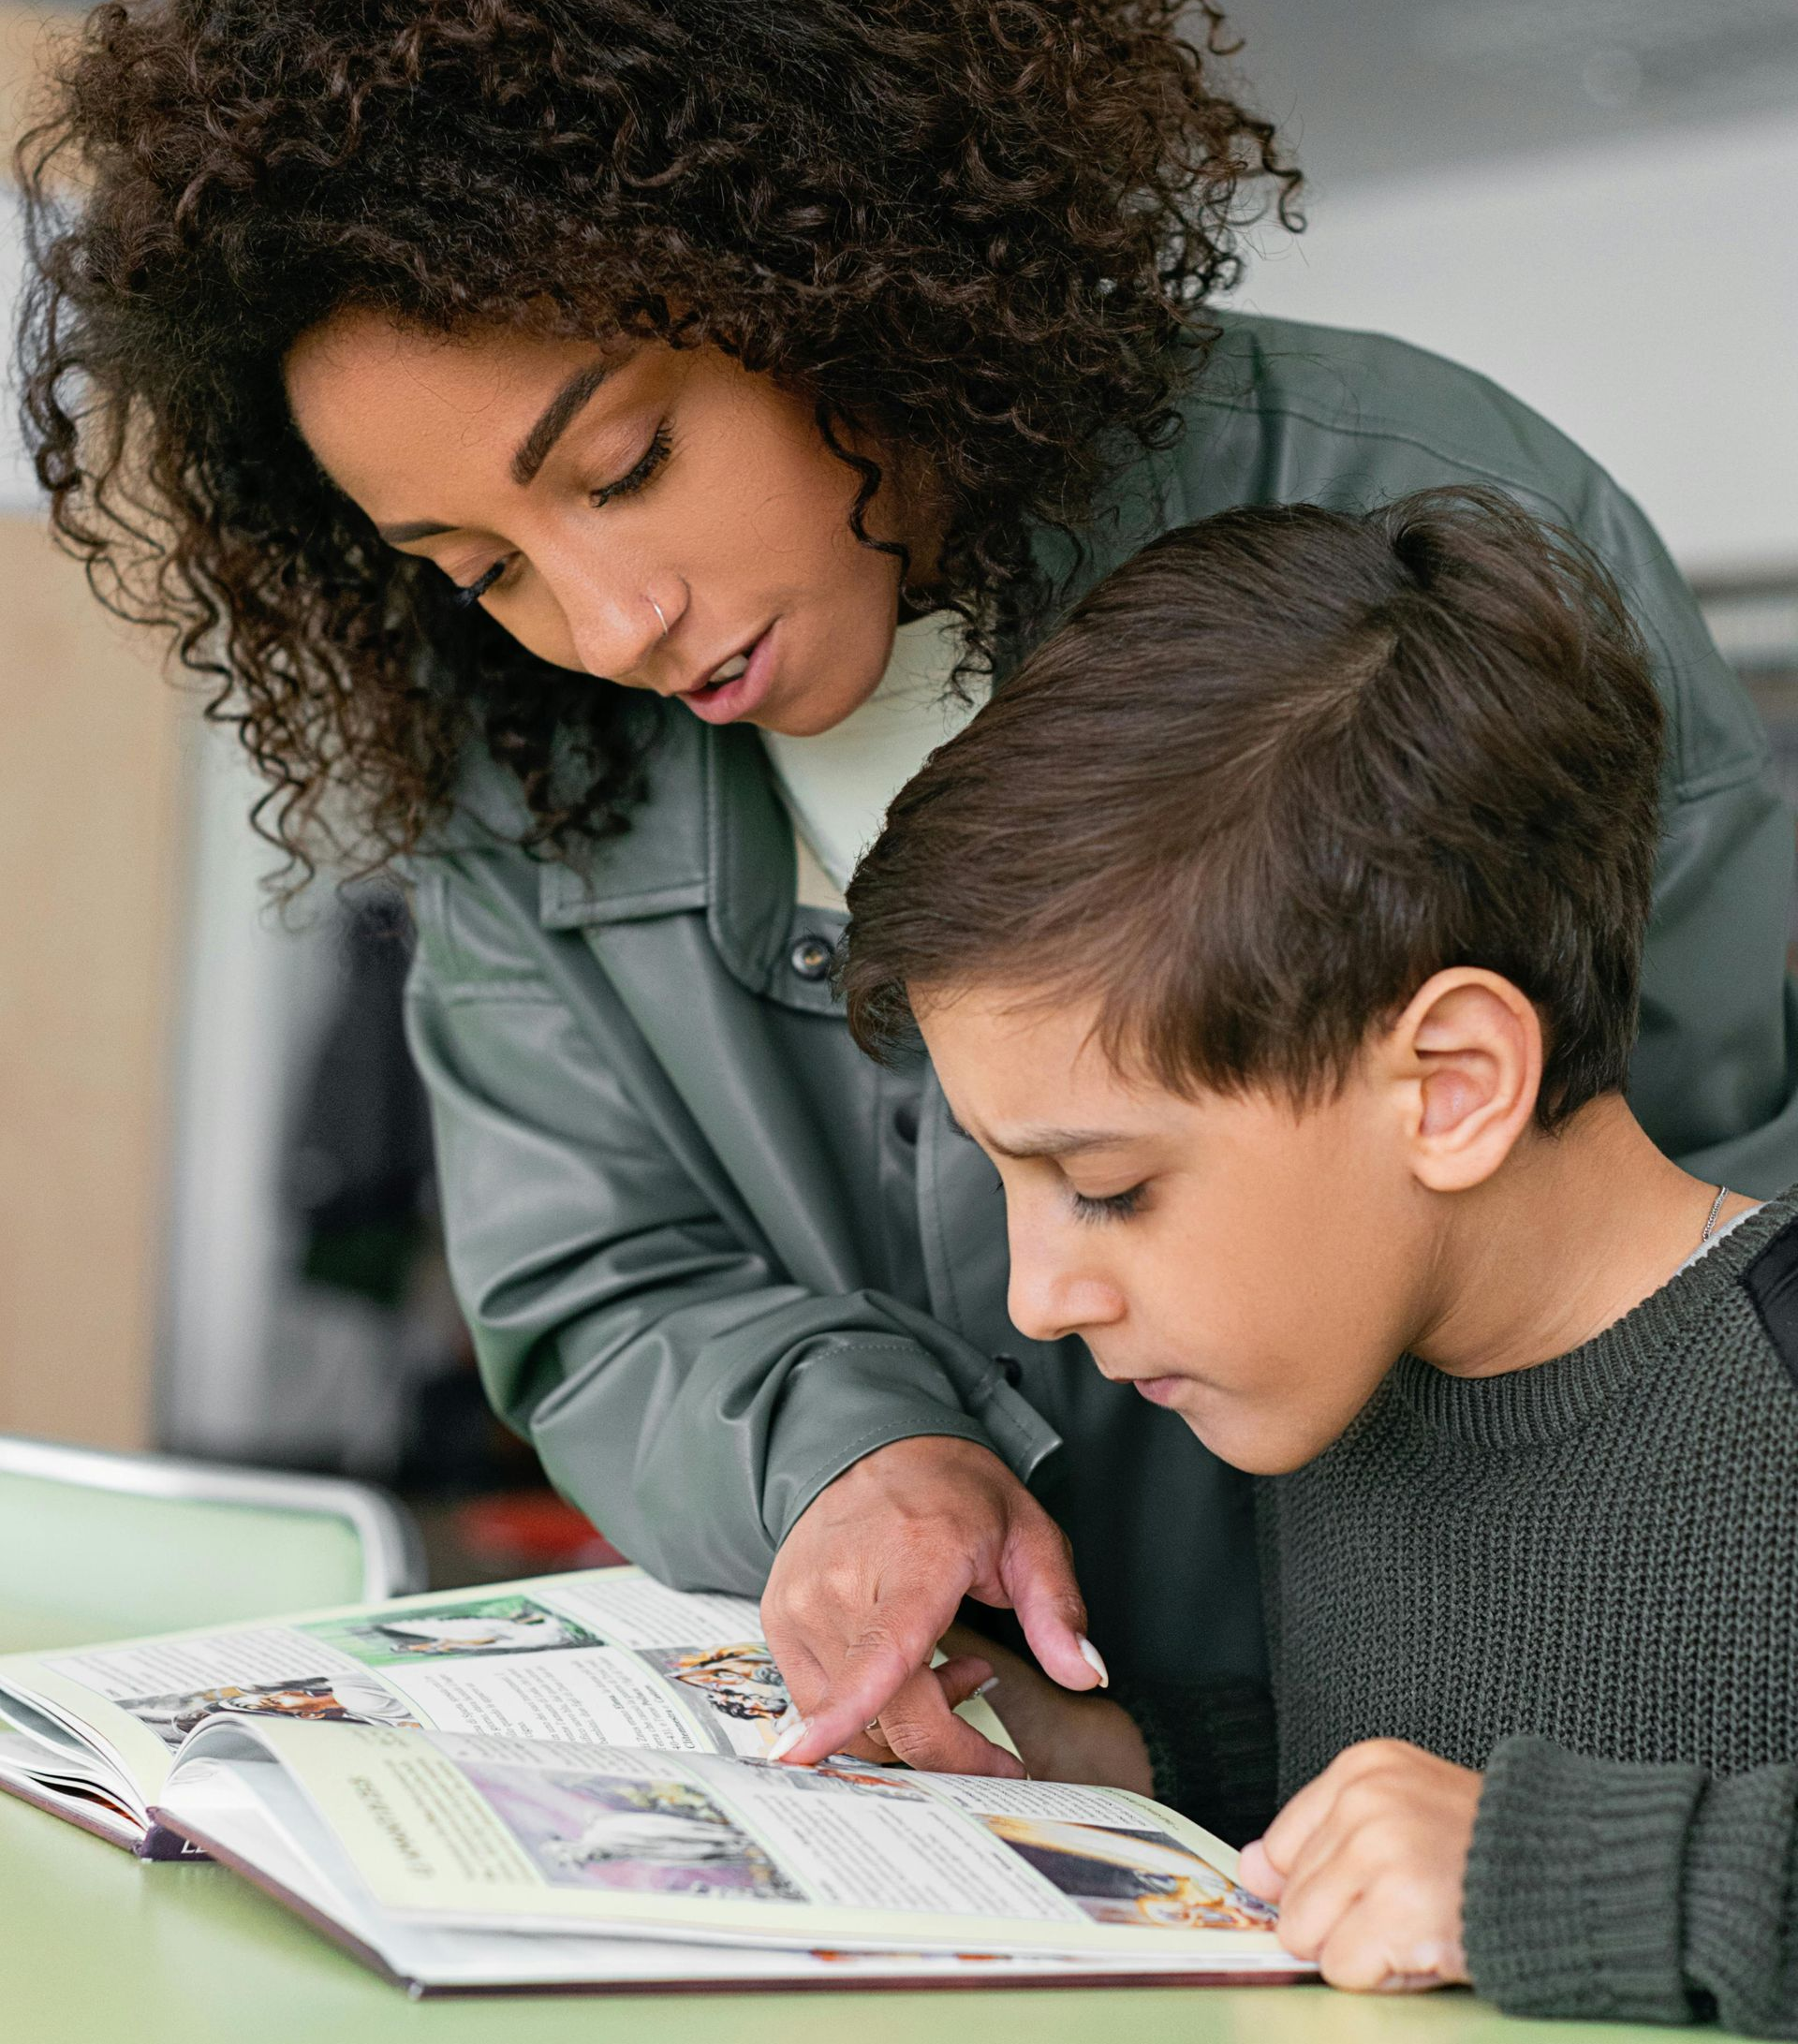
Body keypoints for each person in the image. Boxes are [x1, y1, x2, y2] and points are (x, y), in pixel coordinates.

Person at [19, 1, 1798, 1778]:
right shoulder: (521, 748)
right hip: (1054, 1804)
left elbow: (1682, 1222)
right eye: (479, 565)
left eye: (628, 466)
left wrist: (1555, 1824)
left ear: (818, 276)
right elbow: (592, 1277)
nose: (608, 626)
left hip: (1504, 1779)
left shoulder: (1399, 505)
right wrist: (854, 1454)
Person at [836, 487, 1798, 2032]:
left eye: (1107, 1185)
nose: (1036, 1295)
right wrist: (1119, 1762)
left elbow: (1509, 1836)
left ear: (1450, 1085)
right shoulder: (1345, 1378)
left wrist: (1570, 1873)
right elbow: (1386, 1768)